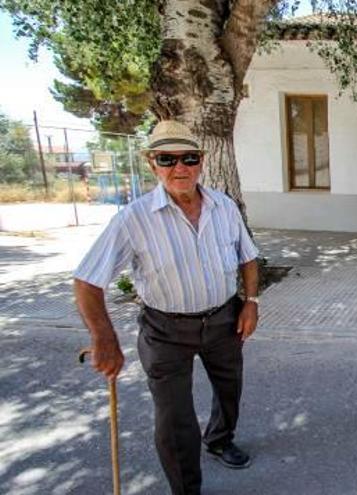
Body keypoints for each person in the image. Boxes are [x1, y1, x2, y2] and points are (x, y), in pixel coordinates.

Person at [73, 120, 260, 495]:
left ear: (201, 161)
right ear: (152, 164)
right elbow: (87, 281)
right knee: (174, 419)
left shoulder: (224, 206)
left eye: (189, 158)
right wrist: (104, 337)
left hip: (224, 319)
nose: (180, 168)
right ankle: (186, 489)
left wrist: (251, 302)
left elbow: (248, 257)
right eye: (167, 159)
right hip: (165, 331)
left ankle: (220, 440)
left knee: (229, 389)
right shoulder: (133, 219)